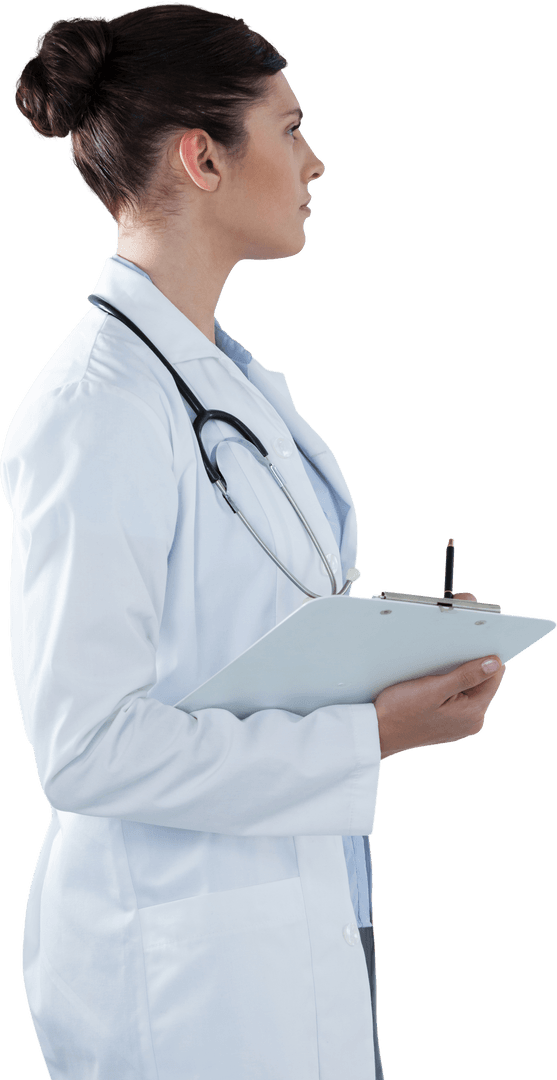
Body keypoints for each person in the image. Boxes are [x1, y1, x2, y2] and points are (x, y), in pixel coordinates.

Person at [3, 5, 505, 1079]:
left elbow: (240, 635)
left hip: (298, 915)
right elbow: (85, 747)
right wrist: (366, 736)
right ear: (201, 158)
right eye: (288, 130)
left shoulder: (221, 384)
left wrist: (394, 649)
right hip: (179, 971)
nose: (315, 160)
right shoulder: (99, 409)